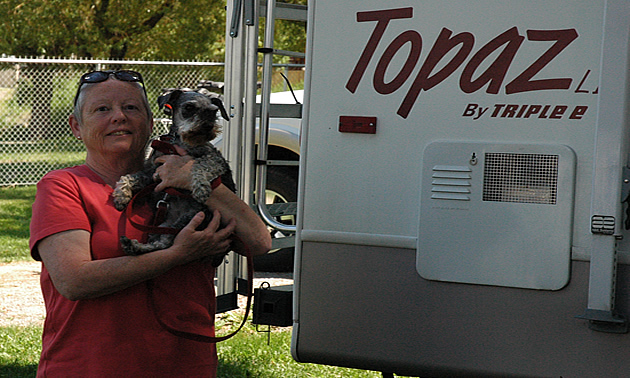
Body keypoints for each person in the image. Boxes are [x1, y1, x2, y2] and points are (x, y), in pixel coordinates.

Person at [29, 70, 271, 377]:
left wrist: (199, 181)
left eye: (131, 108)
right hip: (90, 366)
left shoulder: (203, 182)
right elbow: (74, 281)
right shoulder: (65, 186)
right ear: (76, 126)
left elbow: (259, 243)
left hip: (185, 364)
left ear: (151, 123)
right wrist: (176, 255)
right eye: (102, 109)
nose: (119, 117)